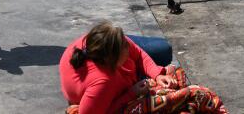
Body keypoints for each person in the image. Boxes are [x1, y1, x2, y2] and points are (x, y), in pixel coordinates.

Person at [60, 21, 227, 114]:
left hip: (115, 72)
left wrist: (156, 75)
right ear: (113, 59)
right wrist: (132, 94)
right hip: (102, 94)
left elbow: (137, 53)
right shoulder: (102, 83)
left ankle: (146, 74)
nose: (129, 46)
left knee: (163, 49)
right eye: (124, 47)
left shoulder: (96, 42)